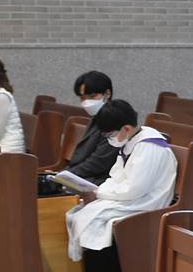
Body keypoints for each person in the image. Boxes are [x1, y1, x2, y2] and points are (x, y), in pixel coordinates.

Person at [65, 101, 176, 262]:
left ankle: (102, 266)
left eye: (109, 135)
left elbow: (134, 189)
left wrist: (99, 193)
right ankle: (89, 266)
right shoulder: (132, 140)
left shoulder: (149, 147)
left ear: (126, 128)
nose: (109, 139)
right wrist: (97, 192)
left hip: (146, 202)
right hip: (131, 198)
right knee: (78, 211)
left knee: (91, 218)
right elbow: (115, 176)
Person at [55, 70, 120, 185]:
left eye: (92, 96)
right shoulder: (97, 117)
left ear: (107, 94)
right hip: (83, 177)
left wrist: (66, 175)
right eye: (82, 98)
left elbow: (98, 163)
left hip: (99, 182)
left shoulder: (114, 122)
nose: (86, 102)